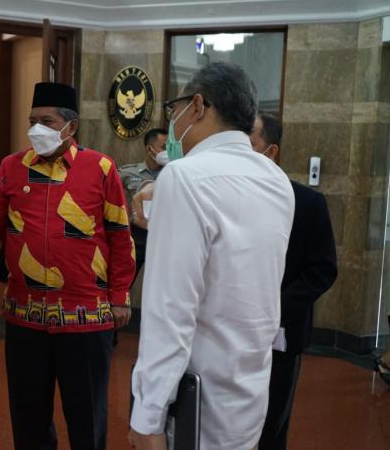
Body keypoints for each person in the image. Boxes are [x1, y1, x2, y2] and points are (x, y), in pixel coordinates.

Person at [129, 62, 295, 450]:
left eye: (175, 109)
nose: (173, 122)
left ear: (198, 106)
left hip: (195, 402)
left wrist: (147, 416)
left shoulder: (184, 177)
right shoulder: (277, 181)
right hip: (249, 392)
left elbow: (170, 310)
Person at [0, 82, 136, 450]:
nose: (36, 129)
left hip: (86, 318)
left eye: (47, 121)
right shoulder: (11, 168)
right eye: (32, 121)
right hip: (25, 318)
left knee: (87, 420)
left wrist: (120, 295)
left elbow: (121, 235)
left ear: (71, 126)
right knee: (29, 421)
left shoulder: (100, 168)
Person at [250, 112, 338, 450]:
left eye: (249, 142)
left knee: (272, 426)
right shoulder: (227, 198)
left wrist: (274, 308)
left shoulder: (308, 203)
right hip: (228, 331)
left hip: (281, 334)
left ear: (270, 151)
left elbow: (322, 270)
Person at [118, 128, 168, 278]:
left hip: (163, 235)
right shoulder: (129, 173)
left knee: (162, 280)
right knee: (126, 278)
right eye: (164, 147)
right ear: (149, 149)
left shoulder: (173, 172)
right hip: (138, 234)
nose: (167, 152)